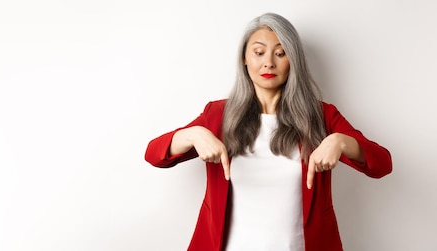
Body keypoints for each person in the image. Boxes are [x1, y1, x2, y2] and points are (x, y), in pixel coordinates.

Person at [144, 12, 392, 251]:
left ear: (293, 60)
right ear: (245, 58)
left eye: (281, 53)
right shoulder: (218, 115)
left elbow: (382, 164)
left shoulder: (322, 116)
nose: (269, 63)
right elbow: (154, 155)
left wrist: (341, 142)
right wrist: (193, 135)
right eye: (259, 52)